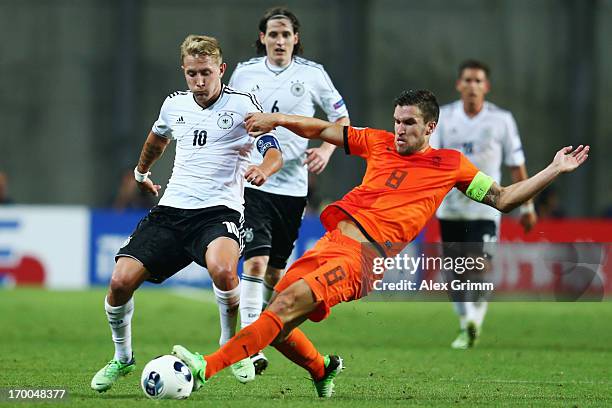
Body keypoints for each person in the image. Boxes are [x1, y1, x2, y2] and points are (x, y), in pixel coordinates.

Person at [171, 89, 589, 397]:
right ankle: (322, 370)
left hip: (364, 259)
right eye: (397, 120)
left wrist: (553, 169)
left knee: (280, 308)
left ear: (430, 127)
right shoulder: (378, 142)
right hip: (332, 243)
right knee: (277, 326)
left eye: (409, 123)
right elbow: (322, 129)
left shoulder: (451, 165)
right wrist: (277, 120)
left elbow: (503, 199)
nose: (400, 129)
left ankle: (204, 368)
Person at [90, 34, 283, 392]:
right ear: (184, 70)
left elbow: (273, 151)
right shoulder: (174, 105)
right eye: (192, 73)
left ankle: (232, 346)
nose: (199, 81)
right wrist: (141, 173)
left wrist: (265, 170)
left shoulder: (243, 105)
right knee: (119, 282)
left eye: (206, 73)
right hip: (171, 211)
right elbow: (157, 139)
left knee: (224, 270)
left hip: (219, 210)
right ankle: (123, 358)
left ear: (221, 70)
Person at [228, 6, 349, 373]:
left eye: (286, 35)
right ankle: (250, 345)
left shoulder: (313, 74)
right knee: (255, 259)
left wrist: (327, 149)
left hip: (293, 187)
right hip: (253, 180)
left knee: (275, 275)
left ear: (295, 39)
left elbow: (341, 117)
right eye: (273, 34)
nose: (279, 41)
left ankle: (265, 330)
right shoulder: (245, 73)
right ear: (262, 38)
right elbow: (229, 115)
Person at [429, 60, 538, 349]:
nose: (472, 86)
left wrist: (527, 207)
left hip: (486, 207)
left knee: (479, 266)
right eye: (467, 80)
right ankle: (467, 323)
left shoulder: (501, 120)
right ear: (459, 85)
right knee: (454, 272)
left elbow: (516, 165)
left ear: (486, 87)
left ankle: (474, 320)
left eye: (478, 81)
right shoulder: (445, 117)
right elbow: (432, 160)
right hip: (451, 207)